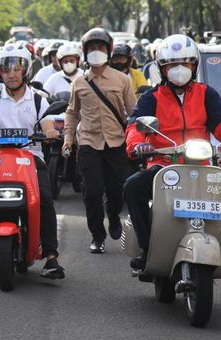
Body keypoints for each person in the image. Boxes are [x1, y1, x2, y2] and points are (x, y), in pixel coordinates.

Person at [124, 34, 221, 298]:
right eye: (172, 64)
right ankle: (148, 250)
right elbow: (134, 126)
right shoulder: (152, 97)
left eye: (184, 63)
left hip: (202, 166)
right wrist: (139, 145)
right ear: (162, 68)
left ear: (194, 65)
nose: (179, 69)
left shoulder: (207, 94)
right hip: (163, 165)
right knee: (132, 187)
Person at [0, 44, 65, 280]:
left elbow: (48, 124)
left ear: (25, 70)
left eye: (17, 68)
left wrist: (50, 132)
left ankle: (50, 257)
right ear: (0, 72)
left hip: (30, 158)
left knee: (45, 199)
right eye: (6, 68)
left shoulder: (39, 101)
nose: (11, 73)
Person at [62, 28, 136, 254]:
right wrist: (68, 139)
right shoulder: (79, 82)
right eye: (92, 48)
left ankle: (113, 216)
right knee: (92, 192)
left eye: (100, 48)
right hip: (88, 144)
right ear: (85, 52)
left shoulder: (122, 80)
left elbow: (133, 113)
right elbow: (72, 112)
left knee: (116, 192)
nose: (96, 52)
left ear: (109, 51)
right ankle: (97, 236)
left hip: (116, 144)